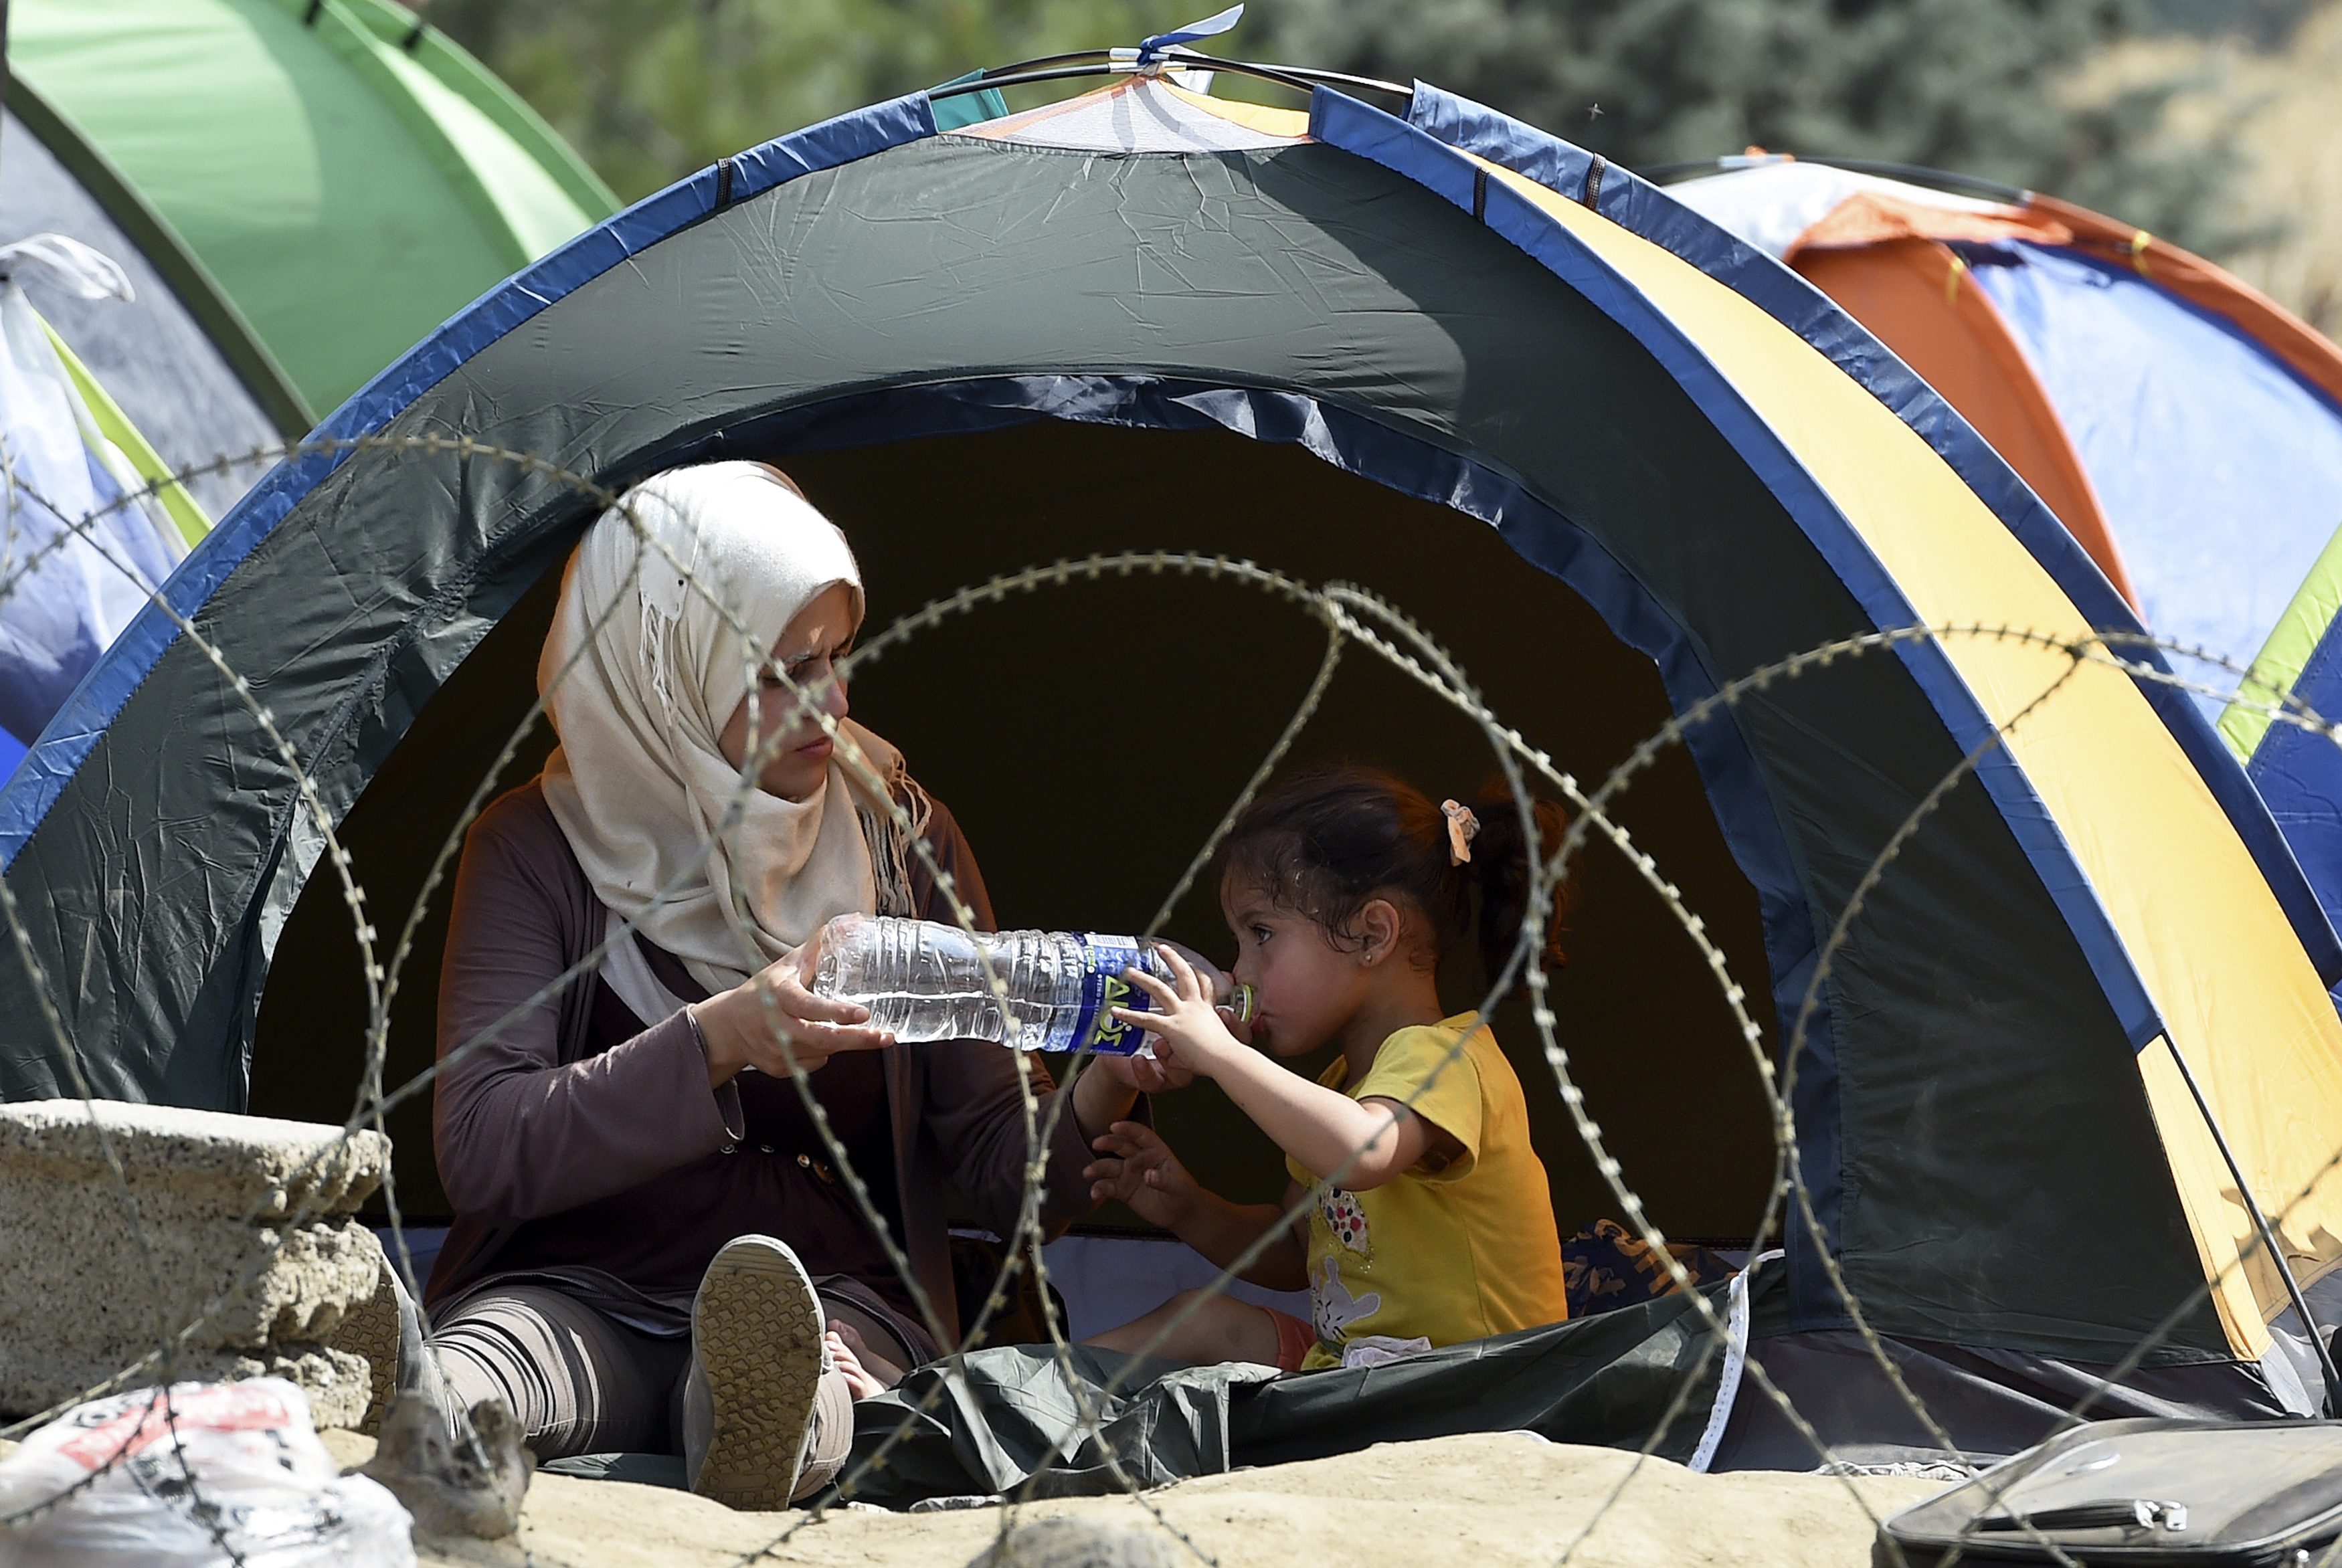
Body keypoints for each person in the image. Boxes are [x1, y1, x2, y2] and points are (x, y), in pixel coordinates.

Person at [423, 462, 1174, 1508]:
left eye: (837, 659)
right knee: (476, 1383)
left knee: (790, 1387)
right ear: (666, 674)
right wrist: (720, 1040)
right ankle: (420, 1418)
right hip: (575, 1287)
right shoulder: (536, 849)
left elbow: (1008, 1170)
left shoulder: (902, 843)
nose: (832, 704)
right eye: (782, 674)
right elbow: (482, 1146)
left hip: (827, 1301)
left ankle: (767, 1433)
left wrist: (1111, 1078)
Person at [1082, 766, 1572, 1372]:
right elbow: (1295, 1249)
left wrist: (1221, 1052)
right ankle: (1007, 1403)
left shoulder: (1449, 1056)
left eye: (1261, 934)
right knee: (1200, 1320)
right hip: (1357, 1378)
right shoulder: (1340, 1087)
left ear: (1373, 933)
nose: (1241, 972)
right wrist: (1189, 1207)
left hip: (1477, 1396)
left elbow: (1363, 1151)